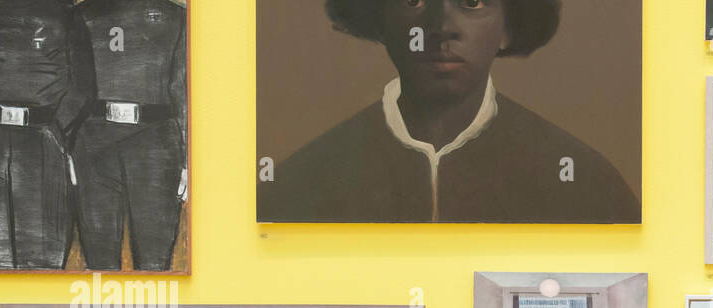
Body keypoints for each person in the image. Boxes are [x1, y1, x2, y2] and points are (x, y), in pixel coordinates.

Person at [259, 0, 640, 224]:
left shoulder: (592, 187)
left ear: (508, 25)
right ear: (379, 19)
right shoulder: (299, 185)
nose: (440, 28)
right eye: (413, 1)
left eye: (472, 2)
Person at [0, 0, 97, 269]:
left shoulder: (65, 14)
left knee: (43, 254)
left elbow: (82, 86)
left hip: (43, 138)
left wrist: (56, 128)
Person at [74, 0, 188, 271]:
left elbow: (184, 91)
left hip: (156, 143)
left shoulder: (176, 16)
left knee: (154, 262)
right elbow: (72, 85)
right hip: (94, 139)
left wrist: (188, 159)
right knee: (99, 262)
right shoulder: (82, 15)